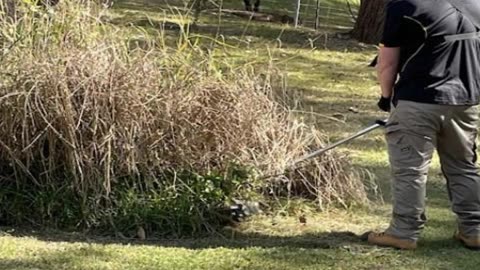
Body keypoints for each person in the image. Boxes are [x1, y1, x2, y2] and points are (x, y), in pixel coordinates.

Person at [368, 0, 480, 250]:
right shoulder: (475, 4)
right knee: (463, 166)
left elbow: (387, 63)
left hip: (418, 99)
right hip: (465, 101)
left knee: (411, 169)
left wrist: (386, 98)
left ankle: (403, 232)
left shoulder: (406, 6)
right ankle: (474, 230)